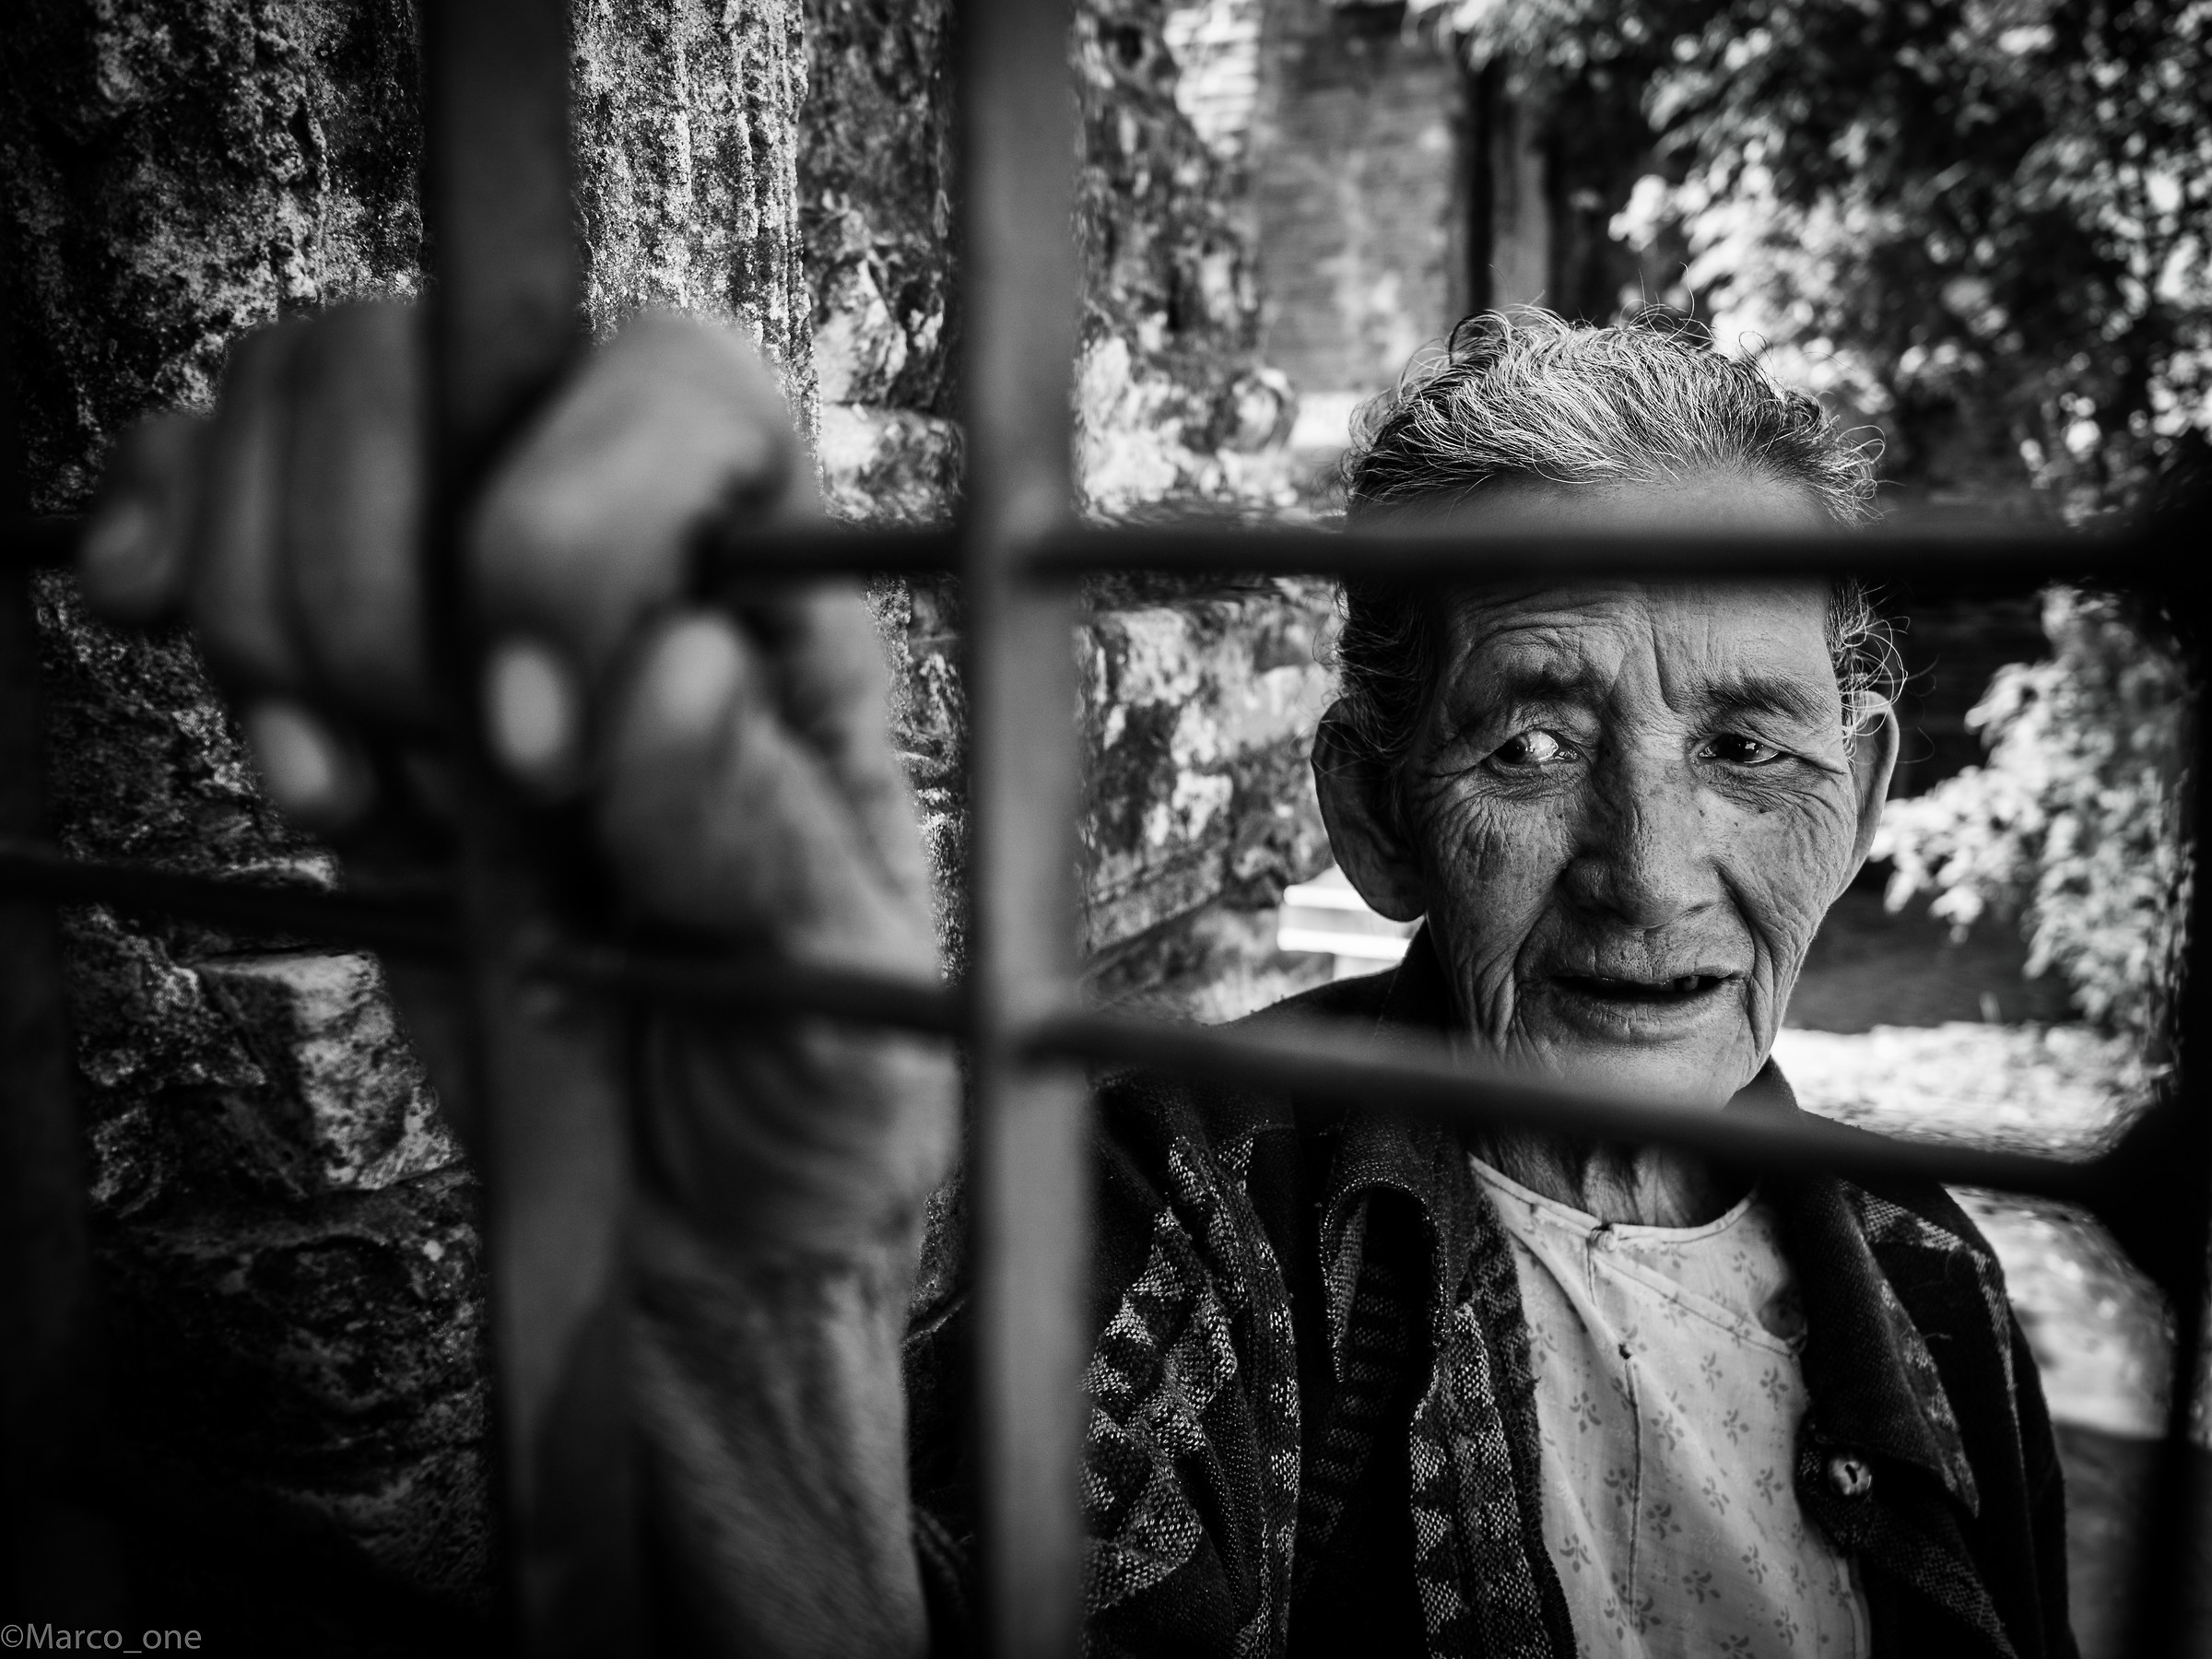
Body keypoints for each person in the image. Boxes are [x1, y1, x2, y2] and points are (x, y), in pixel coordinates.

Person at [79, 306, 2075, 1658]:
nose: (1656, 877)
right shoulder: (1172, 1201)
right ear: (1377, 815)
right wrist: (753, 1296)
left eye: (1747, 746)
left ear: (1868, 786)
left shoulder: (1928, 1279)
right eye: (1531, 743)